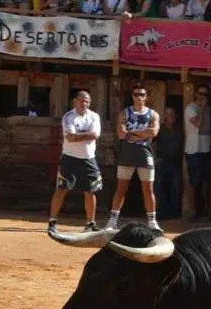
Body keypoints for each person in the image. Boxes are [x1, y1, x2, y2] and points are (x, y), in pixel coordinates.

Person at [106, 84, 161, 231]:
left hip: (145, 154)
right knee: (121, 188)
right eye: (136, 94)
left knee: (148, 188)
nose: (139, 97)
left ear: (146, 97)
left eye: (142, 94)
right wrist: (142, 133)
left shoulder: (153, 114)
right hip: (127, 153)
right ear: (132, 96)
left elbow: (154, 132)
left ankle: (152, 221)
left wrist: (132, 134)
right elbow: (121, 134)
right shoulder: (125, 113)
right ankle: (112, 221)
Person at [48, 91, 103, 232]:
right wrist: (87, 135)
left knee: (91, 191)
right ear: (75, 102)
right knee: (61, 189)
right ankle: (52, 221)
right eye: (81, 100)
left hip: (89, 158)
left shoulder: (94, 116)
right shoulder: (68, 117)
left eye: (87, 101)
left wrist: (78, 136)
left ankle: (90, 223)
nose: (84, 103)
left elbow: (95, 135)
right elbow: (71, 138)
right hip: (70, 157)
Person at [184, 84, 211, 222]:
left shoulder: (209, 109)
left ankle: (204, 211)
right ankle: (194, 211)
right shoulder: (191, 108)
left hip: (206, 149)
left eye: (206, 94)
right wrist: (201, 107)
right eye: (201, 94)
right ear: (196, 94)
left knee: (205, 181)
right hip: (193, 150)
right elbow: (199, 124)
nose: (203, 97)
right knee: (194, 182)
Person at [153, 106, 183, 219]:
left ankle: (173, 212)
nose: (170, 116)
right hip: (162, 162)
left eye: (172, 114)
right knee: (160, 188)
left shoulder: (179, 128)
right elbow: (150, 142)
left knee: (175, 188)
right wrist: (154, 157)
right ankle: (161, 213)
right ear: (164, 115)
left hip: (175, 162)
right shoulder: (160, 128)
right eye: (168, 114)